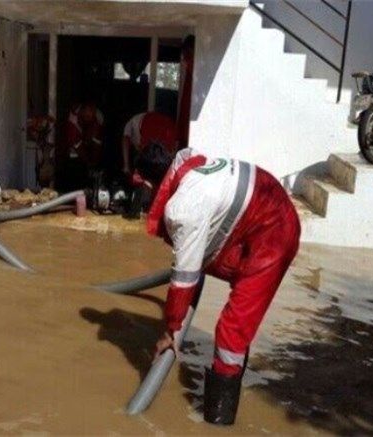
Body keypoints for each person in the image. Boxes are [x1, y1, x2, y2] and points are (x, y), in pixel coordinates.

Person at [134, 144, 301, 425]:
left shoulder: (184, 207)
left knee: (232, 331)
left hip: (274, 232)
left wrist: (170, 331)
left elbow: (184, 279)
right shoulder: (186, 164)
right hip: (260, 210)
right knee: (217, 282)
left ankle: (219, 421)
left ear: (151, 183)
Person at [58, 102, 104, 191]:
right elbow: (79, 149)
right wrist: (89, 164)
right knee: (75, 172)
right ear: (82, 112)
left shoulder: (98, 117)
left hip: (88, 143)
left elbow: (97, 143)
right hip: (73, 151)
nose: (89, 119)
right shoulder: (72, 122)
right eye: (87, 117)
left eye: (92, 117)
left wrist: (94, 163)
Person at [121, 111, 177, 176]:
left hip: (147, 122)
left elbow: (125, 141)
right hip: (166, 123)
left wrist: (126, 166)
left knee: (150, 158)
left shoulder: (128, 127)